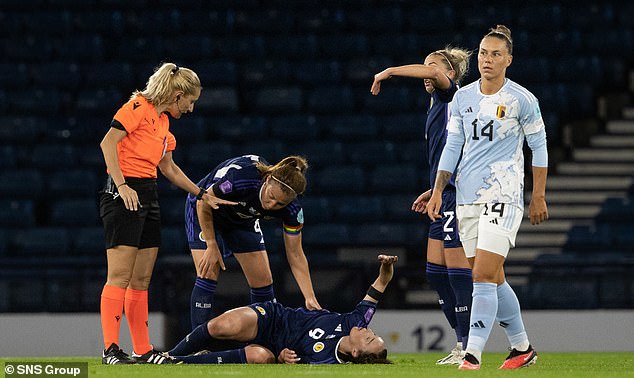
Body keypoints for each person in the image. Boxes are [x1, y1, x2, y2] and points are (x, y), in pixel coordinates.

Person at [426, 25, 548, 370]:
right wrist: (437, 191)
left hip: (504, 195)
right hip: (466, 198)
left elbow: (538, 147)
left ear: (508, 60)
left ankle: (473, 353)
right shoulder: (462, 99)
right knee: (494, 277)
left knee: (480, 274)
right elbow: (453, 147)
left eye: (496, 54)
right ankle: (522, 348)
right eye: (483, 53)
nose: (487, 60)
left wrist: (537, 195)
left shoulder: (522, 99)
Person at [98, 62, 236, 365]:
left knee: (141, 278)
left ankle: (143, 350)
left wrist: (201, 193)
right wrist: (121, 186)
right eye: (191, 101)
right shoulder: (138, 106)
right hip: (124, 194)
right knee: (119, 276)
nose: (191, 108)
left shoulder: (163, 123)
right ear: (177, 94)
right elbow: (108, 143)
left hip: (148, 194)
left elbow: (169, 168)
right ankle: (110, 350)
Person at [371, 47, 473, 365]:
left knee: (458, 272)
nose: (426, 72)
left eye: (433, 68)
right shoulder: (438, 106)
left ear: (450, 74)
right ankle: (461, 343)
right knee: (435, 272)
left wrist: (388, 71)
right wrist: (434, 189)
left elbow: (433, 74)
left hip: (456, 196)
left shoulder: (450, 94)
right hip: (443, 194)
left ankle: (470, 345)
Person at [167, 255, 397, 364]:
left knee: (259, 357)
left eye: (369, 339)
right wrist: (386, 268)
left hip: (272, 348)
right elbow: (380, 286)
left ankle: (177, 363)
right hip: (276, 319)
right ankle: (170, 354)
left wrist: (282, 357)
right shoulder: (355, 320)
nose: (369, 332)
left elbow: (292, 363)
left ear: (355, 353)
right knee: (223, 325)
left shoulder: (325, 362)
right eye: (375, 335)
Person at [185, 154, 321, 332]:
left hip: (242, 219)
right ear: (268, 179)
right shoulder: (241, 180)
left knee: (263, 280)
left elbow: (295, 254)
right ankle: (198, 347)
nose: (271, 205)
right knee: (208, 271)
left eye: (280, 203)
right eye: (271, 196)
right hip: (206, 209)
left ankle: (264, 343)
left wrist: (309, 297)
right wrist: (211, 244)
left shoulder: (292, 211)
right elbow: (204, 202)